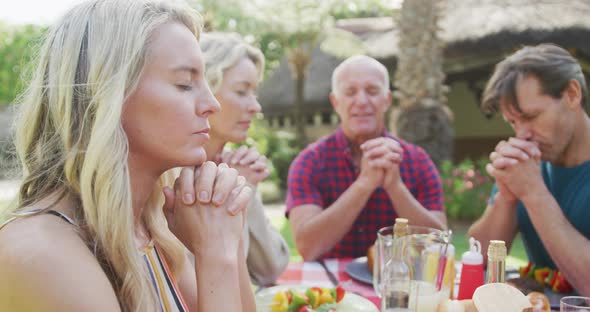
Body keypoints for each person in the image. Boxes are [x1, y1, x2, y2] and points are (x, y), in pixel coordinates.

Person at [0, 0, 256, 311]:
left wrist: (228, 231)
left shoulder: (149, 232)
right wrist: (216, 255)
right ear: (106, 96)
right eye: (184, 84)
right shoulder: (42, 254)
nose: (211, 104)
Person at [286, 55, 447, 261]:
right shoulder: (310, 161)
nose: (361, 101)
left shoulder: (417, 160)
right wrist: (363, 185)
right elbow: (307, 248)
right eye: (350, 92)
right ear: (336, 102)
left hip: (398, 284)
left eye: (372, 91)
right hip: (331, 289)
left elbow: (439, 245)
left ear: (387, 100)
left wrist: (395, 187)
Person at [468, 43, 590, 295]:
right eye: (513, 122)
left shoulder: (531, 177)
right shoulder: (528, 163)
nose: (522, 134)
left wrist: (534, 193)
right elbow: (477, 262)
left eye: (531, 116)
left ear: (571, 94)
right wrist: (506, 197)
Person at [184, 32, 289, 286]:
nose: (255, 107)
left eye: (254, 92)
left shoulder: (235, 165)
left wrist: (246, 191)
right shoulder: (175, 177)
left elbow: (271, 269)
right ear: (205, 89)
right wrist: (232, 196)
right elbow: (217, 283)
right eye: (242, 91)